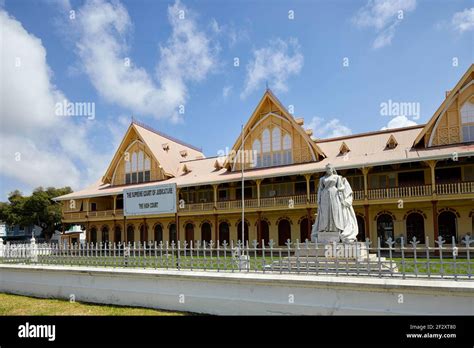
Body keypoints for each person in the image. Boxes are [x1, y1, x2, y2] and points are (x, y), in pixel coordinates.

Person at [311, 164, 358, 243]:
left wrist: (341, 189)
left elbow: (341, 186)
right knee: (325, 213)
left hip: (334, 194)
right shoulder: (322, 179)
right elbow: (320, 190)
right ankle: (325, 229)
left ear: (332, 169)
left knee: (335, 212)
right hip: (324, 196)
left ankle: (335, 228)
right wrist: (318, 200)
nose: (328, 170)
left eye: (329, 168)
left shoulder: (337, 177)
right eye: (326, 169)